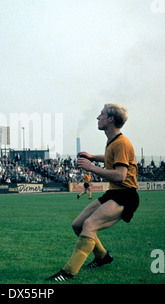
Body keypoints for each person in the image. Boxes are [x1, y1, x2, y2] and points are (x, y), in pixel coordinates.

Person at [45, 104, 139, 282]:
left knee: (89, 225)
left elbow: (120, 175)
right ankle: (103, 257)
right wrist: (93, 157)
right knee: (77, 225)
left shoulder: (121, 143)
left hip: (126, 195)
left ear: (110, 119)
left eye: (101, 114)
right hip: (114, 193)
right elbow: (111, 157)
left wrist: (91, 167)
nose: (98, 117)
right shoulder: (113, 141)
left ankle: (68, 272)